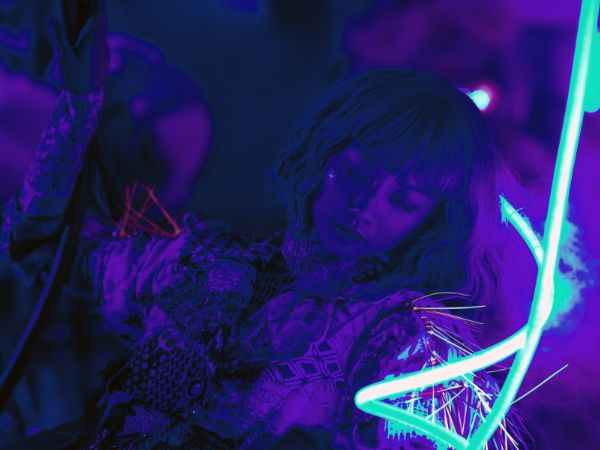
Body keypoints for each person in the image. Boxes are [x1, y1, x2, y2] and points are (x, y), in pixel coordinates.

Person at [0, 1, 529, 448]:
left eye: (404, 199)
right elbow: (37, 250)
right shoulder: (199, 260)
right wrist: (79, 103)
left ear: (433, 220)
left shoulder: (409, 346)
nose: (364, 205)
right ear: (322, 154)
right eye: (356, 171)